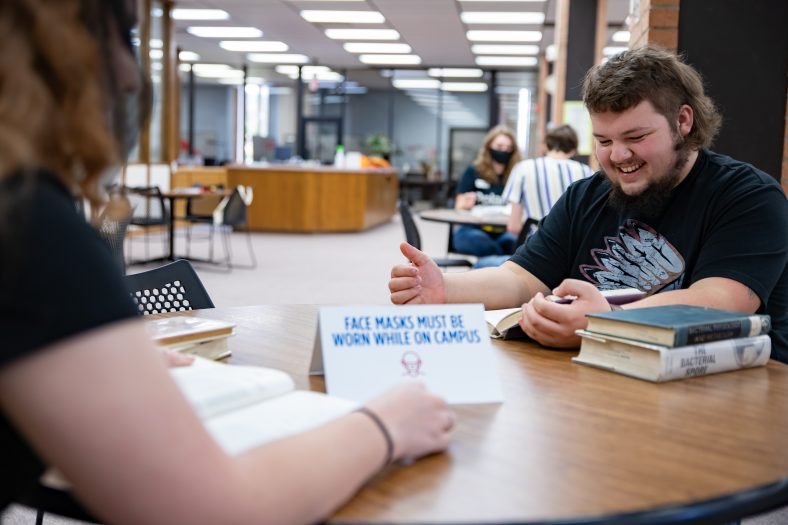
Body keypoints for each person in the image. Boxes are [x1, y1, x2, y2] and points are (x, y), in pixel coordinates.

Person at [0, 1, 453, 522]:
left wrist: (95, 360)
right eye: (122, 36)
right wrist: (383, 423)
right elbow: (210, 510)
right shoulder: (27, 227)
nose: (130, 78)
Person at [389, 46, 788, 364]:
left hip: (722, 392)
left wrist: (604, 322)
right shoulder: (585, 195)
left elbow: (724, 301)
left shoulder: (748, 197)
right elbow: (523, 278)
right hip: (601, 373)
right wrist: (446, 288)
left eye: (635, 136)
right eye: (604, 140)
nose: (617, 156)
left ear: (683, 122)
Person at [474, 125, 593, 268]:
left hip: (533, 257)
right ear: (574, 149)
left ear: (545, 146)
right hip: (573, 258)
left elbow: (513, 227)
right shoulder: (587, 173)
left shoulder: (523, 168)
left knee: (479, 264)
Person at [452, 125, 522, 257]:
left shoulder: (517, 174)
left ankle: (493, 266)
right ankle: (501, 265)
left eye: (508, 148)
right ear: (489, 146)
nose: (504, 151)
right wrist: (466, 204)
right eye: (499, 146)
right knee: (480, 241)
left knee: (515, 243)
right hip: (473, 230)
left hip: (504, 231)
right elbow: (459, 205)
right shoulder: (473, 171)